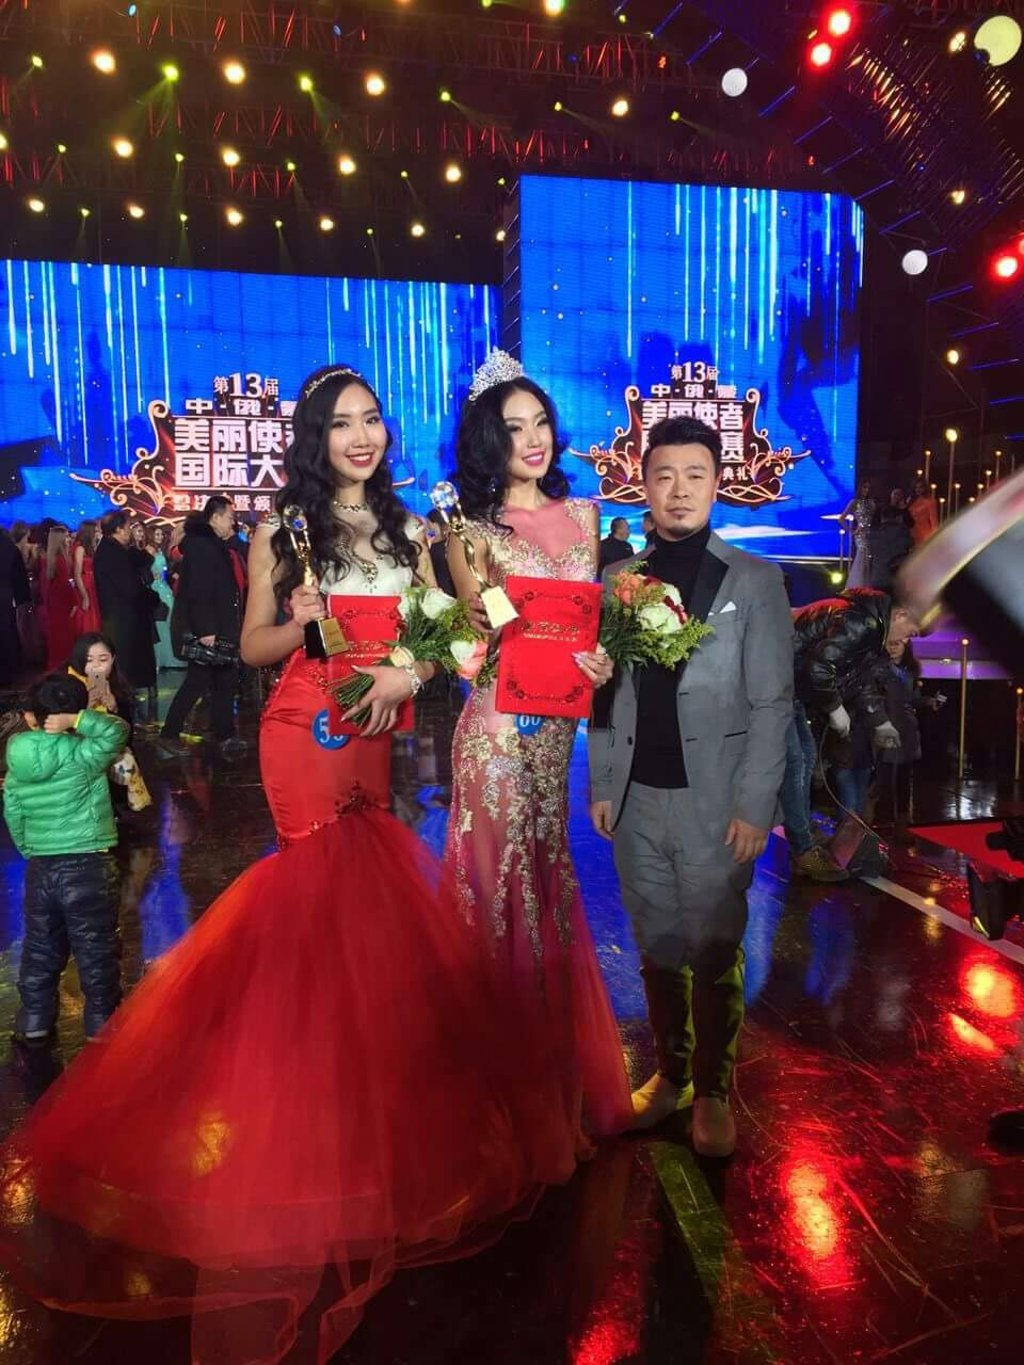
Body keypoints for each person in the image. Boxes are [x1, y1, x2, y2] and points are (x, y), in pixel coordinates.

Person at [0, 365, 566, 1365]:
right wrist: (306, 622)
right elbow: (253, 645)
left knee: (373, 924)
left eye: (371, 419)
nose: (362, 435)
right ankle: (301, 1127)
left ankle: (364, 1122)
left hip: (377, 730)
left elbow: (458, 635)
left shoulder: (410, 530)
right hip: (306, 730)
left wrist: (408, 670)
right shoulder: (283, 531)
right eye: (341, 423)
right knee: (318, 904)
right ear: (314, 437)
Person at [588, 415, 793, 1157]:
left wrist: (755, 804)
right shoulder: (617, 580)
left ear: (716, 485)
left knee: (712, 945)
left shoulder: (755, 581)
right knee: (657, 943)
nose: (679, 490)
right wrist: (604, 781)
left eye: (695, 475)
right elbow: (606, 694)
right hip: (636, 796)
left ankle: (712, 1090)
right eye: (665, 476)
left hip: (717, 800)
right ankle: (671, 1075)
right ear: (643, 486)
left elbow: (773, 702)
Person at [445, 351, 633, 1154]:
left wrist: (603, 659)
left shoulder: (587, 516)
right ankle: (491, 1087)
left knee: (546, 880)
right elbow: (474, 634)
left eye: (542, 422)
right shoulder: (468, 530)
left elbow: (588, 622)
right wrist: (471, 633)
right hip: (496, 726)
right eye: (514, 426)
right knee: (498, 885)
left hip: (558, 729)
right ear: (488, 439)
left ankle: (546, 1076)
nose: (534, 438)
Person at [2, 672, 127, 1044]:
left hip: (42, 867)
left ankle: (34, 1018)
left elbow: (13, 812)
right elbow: (116, 732)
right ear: (75, 712)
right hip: (88, 865)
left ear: (29, 716)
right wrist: (80, 720)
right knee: (95, 947)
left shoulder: (16, 759)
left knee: (40, 946)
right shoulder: (83, 754)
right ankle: (101, 1021)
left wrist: (31, 850)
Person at [781, 588, 920, 875]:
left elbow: (862, 683)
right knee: (796, 763)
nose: (905, 640)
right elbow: (819, 667)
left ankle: (802, 836)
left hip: (787, 688)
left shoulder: (869, 628)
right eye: (909, 633)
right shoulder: (859, 622)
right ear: (900, 615)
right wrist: (834, 708)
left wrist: (880, 722)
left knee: (804, 758)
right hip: (778, 685)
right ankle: (802, 849)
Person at [161, 498, 244, 756]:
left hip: (219, 624)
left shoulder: (210, 543)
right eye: (230, 518)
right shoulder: (202, 545)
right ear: (215, 517)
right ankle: (169, 733)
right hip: (209, 628)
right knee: (198, 681)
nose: (233, 523)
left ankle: (224, 732)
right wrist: (207, 629)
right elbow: (199, 590)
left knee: (222, 679)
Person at [93, 510, 158, 719]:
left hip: (122, 616)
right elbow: (129, 588)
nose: (130, 531)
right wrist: (151, 597)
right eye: (128, 527)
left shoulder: (113, 550)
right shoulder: (112, 553)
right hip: (123, 618)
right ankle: (121, 713)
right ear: (119, 529)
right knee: (125, 667)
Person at [145, 523, 183, 671]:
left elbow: (166, 570)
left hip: (164, 586)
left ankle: (170, 656)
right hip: (155, 588)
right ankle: (160, 658)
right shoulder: (148, 550)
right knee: (161, 621)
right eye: (157, 534)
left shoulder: (160, 550)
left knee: (170, 619)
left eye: (161, 534)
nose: (160, 537)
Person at [39, 524, 77, 669]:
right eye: (66, 536)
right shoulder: (61, 560)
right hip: (62, 600)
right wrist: (74, 601)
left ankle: (56, 665)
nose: (69, 539)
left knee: (57, 634)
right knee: (64, 634)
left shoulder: (50, 559)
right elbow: (65, 585)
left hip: (55, 600)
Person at [0, 525, 31, 687]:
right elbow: (19, 576)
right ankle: (8, 673)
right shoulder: (9, 546)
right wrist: (22, 600)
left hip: (5, 595)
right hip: (5, 597)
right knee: (6, 633)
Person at [868, 488, 913, 592]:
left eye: (899, 494)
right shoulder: (902, 533)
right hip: (895, 578)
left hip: (878, 578)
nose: (897, 497)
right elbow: (910, 542)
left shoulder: (873, 535)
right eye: (895, 494)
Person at [842, 478, 876, 589]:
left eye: (869, 488)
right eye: (864, 487)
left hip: (871, 534)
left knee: (869, 560)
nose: (867, 490)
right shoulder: (855, 502)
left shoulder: (871, 502)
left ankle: (868, 587)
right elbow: (841, 519)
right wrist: (852, 531)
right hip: (861, 535)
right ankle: (858, 587)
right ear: (860, 488)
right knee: (862, 557)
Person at [71, 519, 102, 636]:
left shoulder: (92, 548)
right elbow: (77, 574)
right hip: (86, 585)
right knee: (89, 619)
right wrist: (84, 596)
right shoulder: (80, 549)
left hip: (93, 584)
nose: (97, 533)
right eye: (95, 531)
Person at [908, 477, 939, 546]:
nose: (918, 489)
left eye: (920, 487)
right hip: (911, 534)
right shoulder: (910, 500)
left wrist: (936, 536)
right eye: (916, 487)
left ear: (925, 488)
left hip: (924, 533)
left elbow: (933, 519)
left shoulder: (930, 501)